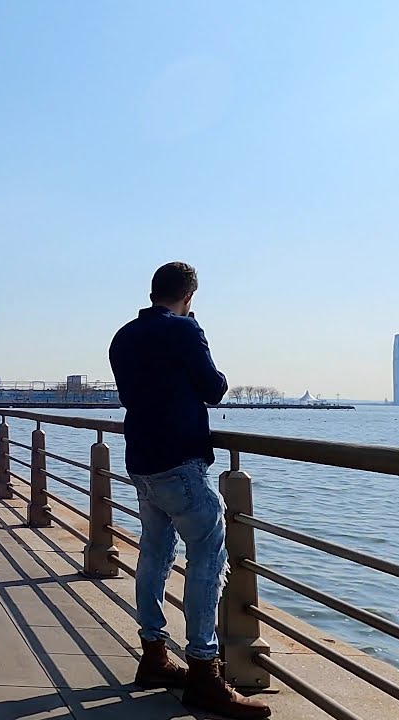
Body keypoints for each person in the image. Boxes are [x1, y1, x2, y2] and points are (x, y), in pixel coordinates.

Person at [109, 262, 267, 720]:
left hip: (141, 461)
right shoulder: (184, 330)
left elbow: (132, 395)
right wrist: (194, 328)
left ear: (152, 291)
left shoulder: (123, 336)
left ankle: (154, 655)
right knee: (208, 558)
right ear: (189, 296)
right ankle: (203, 670)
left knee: (154, 554)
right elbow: (214, 389)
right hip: (180, 462)